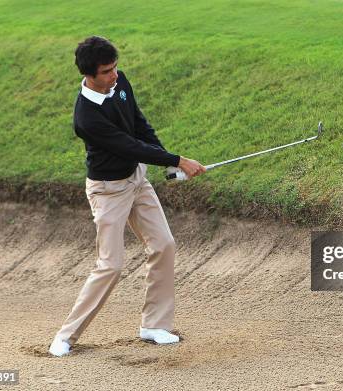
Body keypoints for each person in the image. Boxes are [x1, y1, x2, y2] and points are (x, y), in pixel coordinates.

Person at [49, 36, 206, 357]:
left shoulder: (120, 83)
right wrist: (178, 160)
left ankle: (155, 325)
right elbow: (127, 145)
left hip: (136, 180)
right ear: (90, 75)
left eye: (115, 67)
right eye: (107, 71)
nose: (115, 75)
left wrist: (164, 159)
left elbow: (138, 125)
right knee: (111, 265)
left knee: (164, 244)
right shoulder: (86, 118)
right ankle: (66, 336)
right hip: (108, 191)